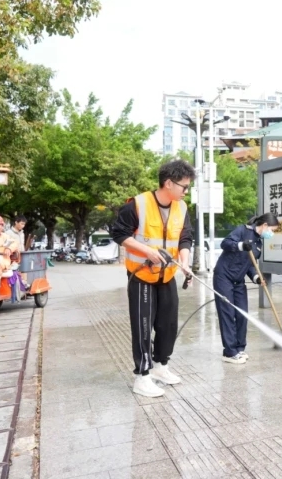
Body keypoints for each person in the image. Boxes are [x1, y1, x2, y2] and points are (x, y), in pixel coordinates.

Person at [110, 160, 196, 398]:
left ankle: (160, 366)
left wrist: (185, 263)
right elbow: (119, 233)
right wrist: (148, 252)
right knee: (143, 326)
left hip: (167, 276)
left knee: (168, 325)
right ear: (168, 183)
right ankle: (142, 376)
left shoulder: (181, 207)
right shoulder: (137, 204)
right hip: (141, 276)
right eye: (184, 186)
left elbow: (185, 238)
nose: (186, 191)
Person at [213, 213, 279, 365]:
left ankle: (239, 348)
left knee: (242, 314)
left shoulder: (259, 243)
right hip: (224, 277)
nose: (272, 233)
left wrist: (256, 278)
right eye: (272, 230)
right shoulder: (243, 230)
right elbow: (225, 243)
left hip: (238, 280)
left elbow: (250, 265)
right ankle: (229, 352)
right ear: (265, 225)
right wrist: (240, 245)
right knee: (228, 313)